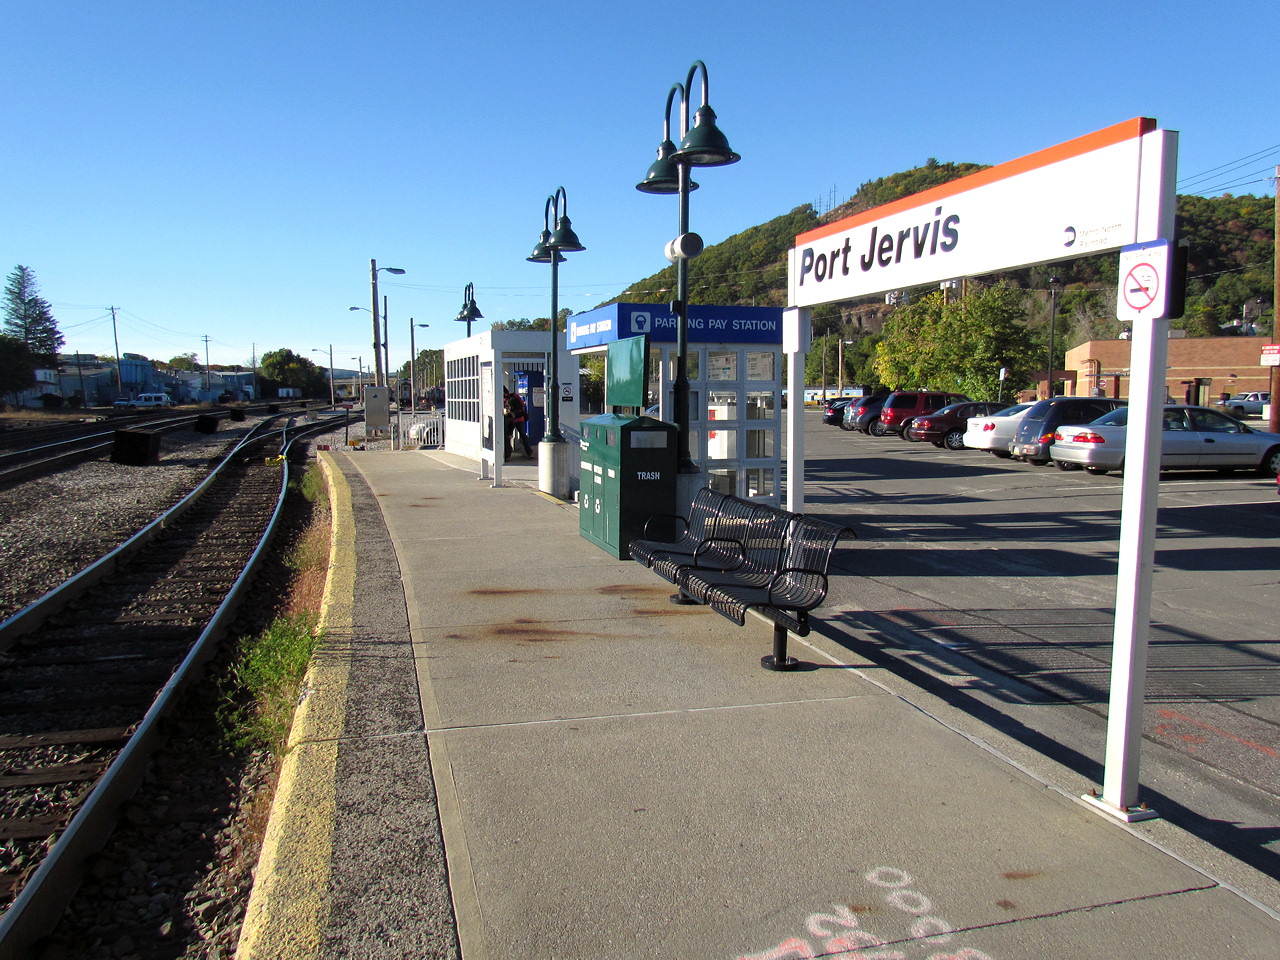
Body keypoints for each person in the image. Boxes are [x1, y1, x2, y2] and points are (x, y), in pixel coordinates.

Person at [507, 389, 534, 458]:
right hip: (520, 418)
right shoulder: (515, 395)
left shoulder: (504, 398)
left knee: (508, 437)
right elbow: (523, 404)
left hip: (511, 420)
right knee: (524, 436)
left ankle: (508, 454)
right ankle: (530, 453)